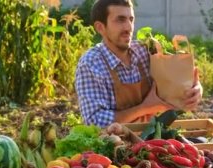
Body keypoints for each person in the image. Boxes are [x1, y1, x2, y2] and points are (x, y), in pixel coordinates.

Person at [75, 0, 203, 128]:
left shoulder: (145, 51)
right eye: (120, 20)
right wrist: (145, 108)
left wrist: (195, 90)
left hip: (155, 139)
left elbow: (176, 80)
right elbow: (95, 122)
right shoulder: (91, 64)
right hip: (114, 143)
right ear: (100, 27)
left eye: (131, 19)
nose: (128, 27)